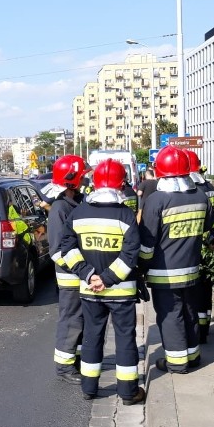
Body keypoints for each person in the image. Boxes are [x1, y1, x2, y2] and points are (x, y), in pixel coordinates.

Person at [60, 158, 147, 405]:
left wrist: (89, 275)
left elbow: (67, 247)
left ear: (94, 184)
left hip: (90, 291)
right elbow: (131, 254)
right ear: (121, 185)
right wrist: (107, 279)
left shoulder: (78, 212)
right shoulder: (125, 215)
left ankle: (89, 388)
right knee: (125, 339)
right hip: (120, 291)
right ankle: (129, 392)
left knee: (92, 337)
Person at [141, 146, 214, 373]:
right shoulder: (201, 195)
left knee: (170, 315)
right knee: (189, 311)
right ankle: (193, 356)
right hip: (192, 269)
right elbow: (207, 227)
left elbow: (147, 244)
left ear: (160, 171)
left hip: (164, 273)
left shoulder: (156, 201)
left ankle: (176, 362)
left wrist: (141, 267)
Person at [44, 155, 90, 385]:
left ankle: (77, 359)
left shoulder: (78, 202)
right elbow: (57, 251)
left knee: (81, 320)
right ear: (72, 179)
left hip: (80, 274)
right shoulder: (60, 209)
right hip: (71, 276)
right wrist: (81, 269)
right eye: (82, 176)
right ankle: (64, 366)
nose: (85, 179)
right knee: (71, 320)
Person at [184, 150, 214, 344]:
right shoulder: (209, 188)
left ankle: (193, 332)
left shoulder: (187, 190)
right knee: (205, 289)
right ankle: (204, 328)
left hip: (189, 248)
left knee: (191, 292)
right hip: (208, 247)